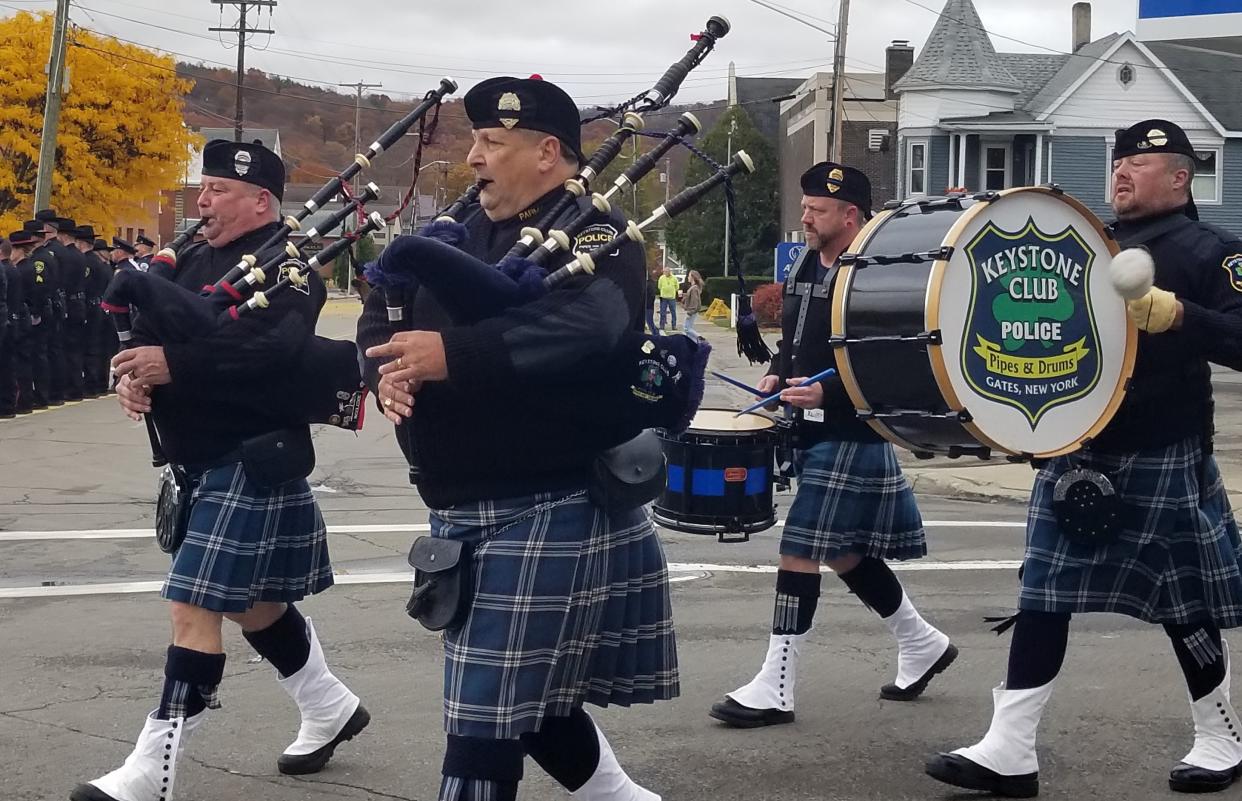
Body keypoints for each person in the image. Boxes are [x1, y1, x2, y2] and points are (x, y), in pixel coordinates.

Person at [357, 74, 677, 801]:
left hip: (545, 501)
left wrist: (449, 356)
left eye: (491, 142)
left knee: (484, 725)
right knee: (531, 706)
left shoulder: (600, 235)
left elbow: (581, 329)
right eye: (473, 140)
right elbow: (384, 308)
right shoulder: (457, 234)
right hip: (459, 504)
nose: (472, 157)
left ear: (547, 153)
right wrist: (387, 372)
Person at [926, 119, 1242, 797]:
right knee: (1044, 592)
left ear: (1181, 176)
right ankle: (1009, 748)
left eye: (1139, 162)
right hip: (1078, 448)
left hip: (1162, 447)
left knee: (1183, 602)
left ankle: (1219, 733)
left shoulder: (1213, 252)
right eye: (1118, 160)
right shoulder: (1087, 244)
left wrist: (1179, 315)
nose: (1121, 171)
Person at [72, 139, 368, 801]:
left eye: (217, 191)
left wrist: (174, 366)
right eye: (203, 189)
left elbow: (266, 351)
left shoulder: (291, 270)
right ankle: (330, 705)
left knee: (193, 604)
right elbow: (148, 328)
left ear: (259, 199)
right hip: (196, 459)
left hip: (251, 457)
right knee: (256, 606)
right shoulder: (191, 259)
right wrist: (133, 376)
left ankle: (155, 769)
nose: (202, 202)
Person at [709, 162, 956, 730]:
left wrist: (826, 388)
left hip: (852, 427)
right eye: (805, 206)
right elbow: (797, 343)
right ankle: (922, 642)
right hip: (812, 427)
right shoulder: (804, 264)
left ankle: (776, 685)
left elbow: (893, 357)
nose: (805, 216)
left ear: (851, 215)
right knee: (844, 551)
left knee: (800, 548)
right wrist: (776, 374)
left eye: (817, 210)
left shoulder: (877, 271)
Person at [11, 227, 51, 411]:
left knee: (22, 360)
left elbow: (34, 294)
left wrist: (34, 313)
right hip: (28, 316)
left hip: (23, 317)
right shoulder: (27, 267)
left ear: (19, 250)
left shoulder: (23, 269)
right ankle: (26, 397)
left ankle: (23, 398)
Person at [681, 269, 704, 338]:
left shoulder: (694, 288)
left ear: (693, 277)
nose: (688, 277)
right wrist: (685, 296)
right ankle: (691, 344)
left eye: (689, 276)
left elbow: (695, 301)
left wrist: (690, 312)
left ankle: (699, 338)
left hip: (691, 311)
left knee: (687, 328)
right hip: (691, 310)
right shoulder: (694, 288)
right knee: (687, 329)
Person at [657, 264, 679, 330]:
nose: (665, 273)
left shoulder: (674, 278)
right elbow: (659, 286)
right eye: (664, 272)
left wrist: (672, 291)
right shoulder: (661, 278)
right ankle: (662, 325)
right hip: (663, 298)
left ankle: (674, 325)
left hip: (672, 298)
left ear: (669, 272)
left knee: (673, 312)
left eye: (666, 271)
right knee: (662, 312)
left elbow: (677, 287)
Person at [645, 266, 660, 334]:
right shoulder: (647, 283)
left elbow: (651, 296)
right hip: (646, 306)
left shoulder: (649, 284)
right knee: (649, 323)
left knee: (650, 323)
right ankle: (656, 333)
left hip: (648, 306)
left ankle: (656, 336)